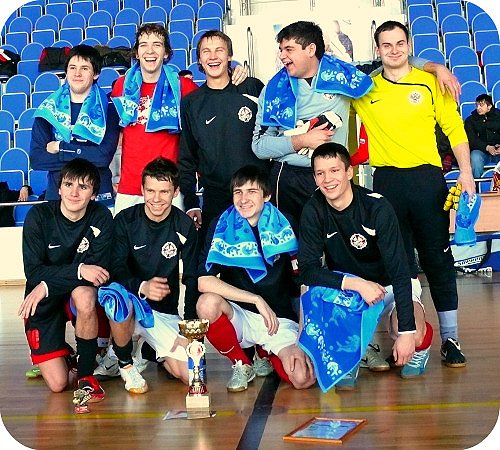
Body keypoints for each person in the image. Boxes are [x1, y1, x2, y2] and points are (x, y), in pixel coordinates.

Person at [351, 20, 475, 368]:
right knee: (397, 263)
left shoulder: (431, 82)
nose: (394, 50)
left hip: (427, 181)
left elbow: (454, 128)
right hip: (387, 184)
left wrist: (466, 172)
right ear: (377, 50)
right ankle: (404, 335)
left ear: (409, 46)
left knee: (438, 259)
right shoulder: (365, 88)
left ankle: (450, 338)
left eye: (399, 43)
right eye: (386, 45)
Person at [252, 20, 460, 225]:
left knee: (340, 241)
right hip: (288, 179)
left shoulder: (345, 76)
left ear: (311, 49)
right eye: (281, 50)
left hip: (334, 177)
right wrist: (302, 140)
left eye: (288, 49)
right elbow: (259, 147)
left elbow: (392, 59)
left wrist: (436, 67)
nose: (282, 56)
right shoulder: (272, 91)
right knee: (293, 243)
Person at [299, 143, 433, 389]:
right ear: (315, 178)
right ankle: (356, 351)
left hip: (390, 285)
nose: (327, 179)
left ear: (349, 172)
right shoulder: (313, 209)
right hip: (352, 290)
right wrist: (357, 284)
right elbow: (307, 270)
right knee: (313, 292)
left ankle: (421, 345)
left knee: (412, 333)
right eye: (320, 173)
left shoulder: (376, 207)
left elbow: (400, 272)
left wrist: (406, 332)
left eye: (334, 170)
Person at [197, 165, 316, 392]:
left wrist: (302, 338)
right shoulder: (221, 224)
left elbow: (305, 283)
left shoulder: (287, 223)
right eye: (238, 192)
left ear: (267, 195)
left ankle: (265, 352)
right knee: (206, 304)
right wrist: (255, 300)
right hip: (240, 314)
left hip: (278, 319)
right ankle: (242, 363)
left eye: (252, 191)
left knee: (303, 379)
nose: (243, 199)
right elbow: (204, 281)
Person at [111, 24, 247, 214]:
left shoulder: (184, 87)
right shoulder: (122, 86)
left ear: (166, 52)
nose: (150, 51)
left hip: (171, 188)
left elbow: (215, 94)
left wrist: (236, 73)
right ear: (136, 52)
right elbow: (116, 135)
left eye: (157, 45)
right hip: (130, 186)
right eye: (143, 45)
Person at [99, 157, 198, 393]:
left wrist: (189, 330)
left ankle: (148, 350)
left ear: (175, 192)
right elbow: (115, 269)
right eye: (151, 190)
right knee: (117, 297)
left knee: (189, 375)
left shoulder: (184, 225)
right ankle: (124, 362)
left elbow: (192, 278)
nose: (156, 198)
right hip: (130, 305)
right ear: (142, 190)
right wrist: (142, 286)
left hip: (162, 313)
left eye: (164, 192)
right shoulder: (125, 220)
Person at [18, 158, 113, 403]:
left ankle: (86, 376)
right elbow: (34, 272)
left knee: (85, 294)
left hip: (72, 295)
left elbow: (98, 274)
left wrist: (48, 282)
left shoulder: (101, 217)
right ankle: (67, 355)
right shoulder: (38, 216)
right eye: (69, 184)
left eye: (83, 187)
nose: (74, 192)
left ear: (94, 194)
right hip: (43, 301)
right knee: (58, 384)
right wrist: (79, 270)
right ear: (59, 188)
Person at [179, 30, 269, 243]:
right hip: (216, 198)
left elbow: (272, 137)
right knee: (218, 258)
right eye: (206, 51)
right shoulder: (191, 103)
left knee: (264, 257)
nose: (213, 56)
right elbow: (187, 157)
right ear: (199, 60)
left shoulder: (252, 87)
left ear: (230, 55)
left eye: (219, 50)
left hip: (256, 194)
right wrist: (191, 202)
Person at [30, 45, 120, 206]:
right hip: (58, 196)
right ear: (66, 72)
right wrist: (86, 154)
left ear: (96, 74)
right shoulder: (47, 110)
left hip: (98, 195)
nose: (77, 73)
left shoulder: (109, 109)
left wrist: (61, 147)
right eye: (72, 67)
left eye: (84, 68)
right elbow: (37, 159)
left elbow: (102, 157)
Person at [464, 94, 500, 179]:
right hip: (482, 151)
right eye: (477, 105)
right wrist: (487, 147)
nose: (478, 108)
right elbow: (471, 139)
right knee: (475, 157)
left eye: (481, 105)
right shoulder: (470, 120)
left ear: (489, 106)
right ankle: (476, 184)